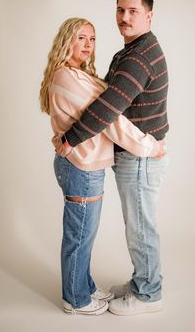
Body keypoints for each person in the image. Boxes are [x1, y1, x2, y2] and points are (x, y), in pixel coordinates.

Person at [40, 17, 165, 316]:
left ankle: (83, 285)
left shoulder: (75, 74)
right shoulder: (68, 77)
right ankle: (76, 298)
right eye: (80, 38)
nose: (87, 45)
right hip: (80, 167)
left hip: (83, 165)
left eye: (92, 39)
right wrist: (149, 145)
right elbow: (111, 119)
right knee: (80, 235)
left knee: (84, 233)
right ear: (65, 40)